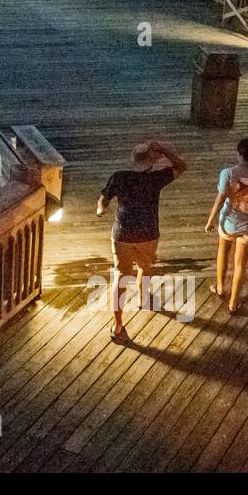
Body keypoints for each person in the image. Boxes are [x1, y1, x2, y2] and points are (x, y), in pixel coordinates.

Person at [97, 140, 189, 344]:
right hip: (148, 232)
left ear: (133, 159)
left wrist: (101, 209)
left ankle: (118, 325)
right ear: (152, 161)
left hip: (123, 232)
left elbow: (104, 197)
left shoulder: (119, 177)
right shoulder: (157, 178)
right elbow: (182, 166)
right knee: (145, 267)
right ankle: (143, 297)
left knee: (121, 275)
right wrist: (164, 150)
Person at [203, 139, 248, 314]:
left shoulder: (228, 173)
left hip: (229, 222)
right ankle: (233, 304)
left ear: (238, 153)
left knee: (223, 254)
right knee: (241, 265)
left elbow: (220, 199)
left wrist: (210, 220)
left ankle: (219, 288)